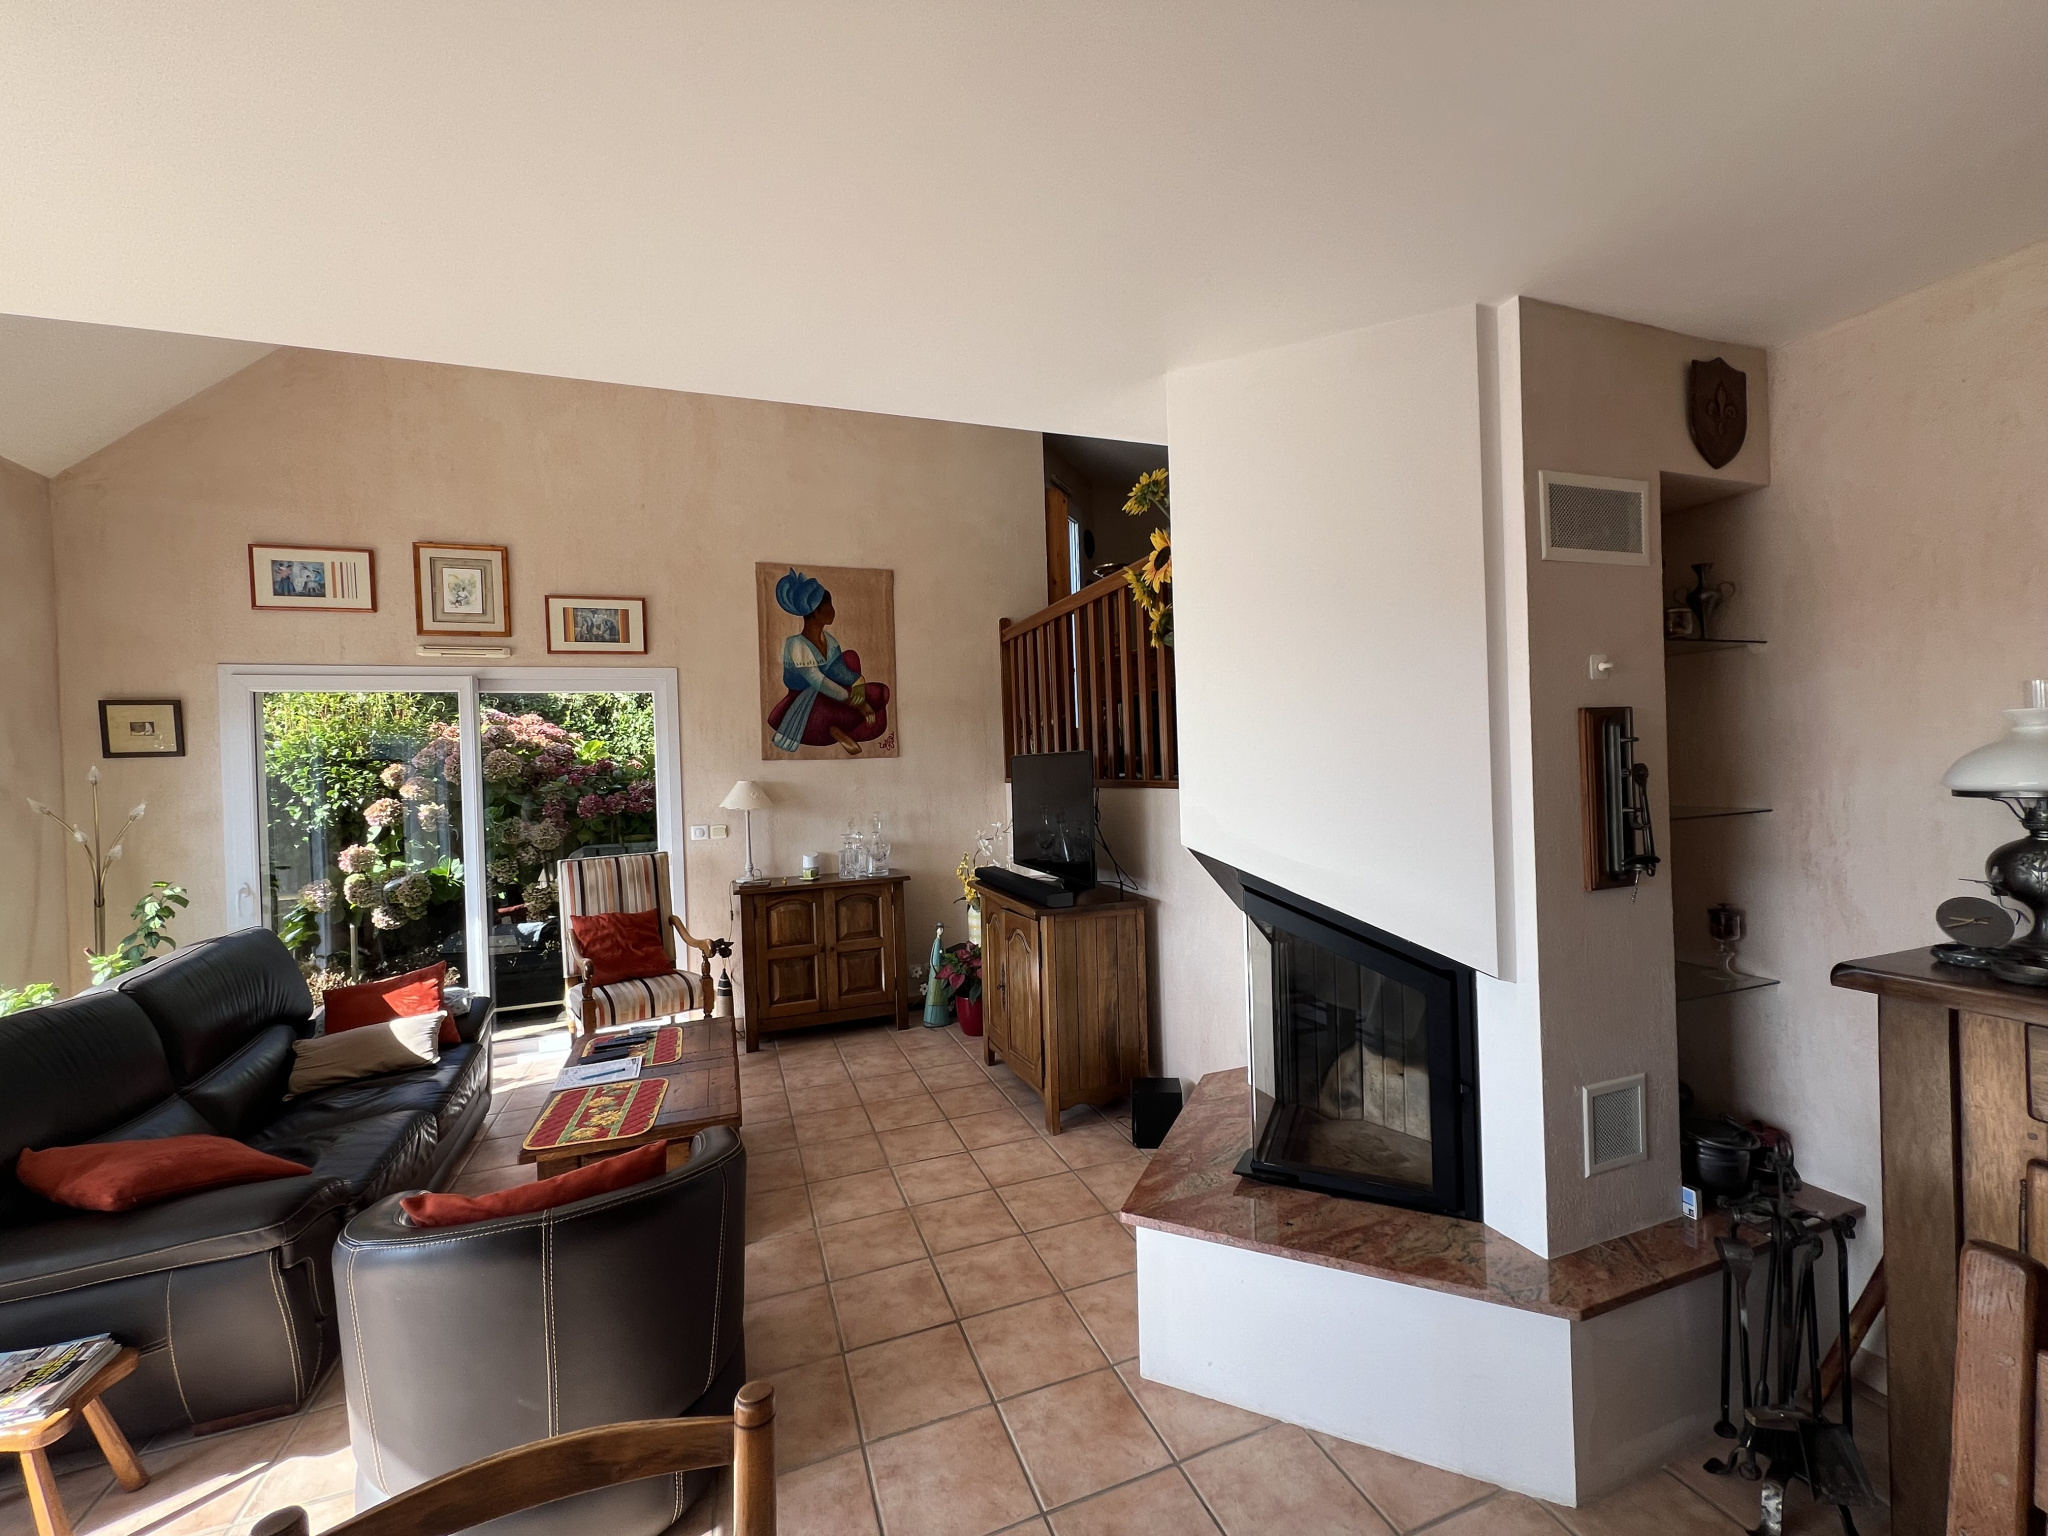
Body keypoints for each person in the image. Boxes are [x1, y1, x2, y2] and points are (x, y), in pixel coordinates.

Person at [767, 568, 892, 755]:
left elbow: (838, 671)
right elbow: (819, 681)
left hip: (833, 693)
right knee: (825, 707)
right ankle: (834, 730)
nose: (833, 611)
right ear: (816, 612)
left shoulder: (830, 641)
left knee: (879, 690)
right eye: (829, 606)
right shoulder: (796, 645)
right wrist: (858, 703)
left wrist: (858, 680)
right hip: (804, 702)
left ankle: (838, 727)